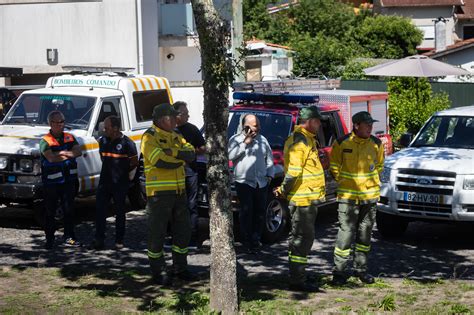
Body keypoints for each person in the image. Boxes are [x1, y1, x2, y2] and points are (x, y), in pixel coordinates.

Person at [141, 103, 196, 285]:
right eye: (172, 117)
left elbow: (192, 153)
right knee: (157, 234)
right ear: (161, 119)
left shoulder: (176, 135)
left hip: (179, 192)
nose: (175, 120)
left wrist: (173, 152)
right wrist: (180, 160)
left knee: (183, 231)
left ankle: (180, 268)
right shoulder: (149, 137)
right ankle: (159, 271)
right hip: (159, 195)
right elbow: (159, 161)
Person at [274, 106, 325, 292]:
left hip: (309, 199)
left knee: (305, 238)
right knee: (301, 239)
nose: (319, 125)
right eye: (318, 121)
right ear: (310, 121)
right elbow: (294, 172)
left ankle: (299, 274)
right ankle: (297, 279)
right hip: (302, 200)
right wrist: (282, 190)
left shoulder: (308, 139)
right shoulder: (299, 141)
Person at [330, 111, 384, 285]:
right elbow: (334, 166)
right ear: (356, 125)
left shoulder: (376, 144)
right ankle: (339, 272)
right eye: (366, 124)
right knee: (345, 235)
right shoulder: (341, 143)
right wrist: (344, 181)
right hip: (348, 197)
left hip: (369, 198)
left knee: (365, 235)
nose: (370, 128)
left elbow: (380, 166)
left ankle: (361, 270)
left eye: (371, 124)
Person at [89, 116, 138, 250]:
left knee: (120, 212)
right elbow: (103, 157)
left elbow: (134, 163)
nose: (104, 130)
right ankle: (99, 239)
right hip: (104, 183)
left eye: (107, 127)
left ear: (116, 129)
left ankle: (119, 241)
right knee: (100, 212)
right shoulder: (103, 141)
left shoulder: (128, 144)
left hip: (120, 184)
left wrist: (125, 176)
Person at [228, 114, 274, 254]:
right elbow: (230, 155)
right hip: (244, 182)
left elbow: (269, 159)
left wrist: (269, 175)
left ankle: (256, 240)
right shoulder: (235, 139)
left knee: (260, 212)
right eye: (254, 125)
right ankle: (246, 241)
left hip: (261, 182)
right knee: (247, 211)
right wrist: (245, 143)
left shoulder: (263, 140)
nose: (257, 128)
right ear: (245, 126)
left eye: (258, 125)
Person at [40, 110, 82, 249]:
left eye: (62, 122)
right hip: (51, 183)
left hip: (68, 181)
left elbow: (78, 152)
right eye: (56, 122)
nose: (60, 125)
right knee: (50, 212)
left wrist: (61, 153)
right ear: (50, 123)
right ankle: (50, 239)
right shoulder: (45, 140)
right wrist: (67, 154)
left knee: (69, 210)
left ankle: (69, 237)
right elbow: (50, 158)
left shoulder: (70, 137)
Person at [173, 101, 206, 247]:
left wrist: (192, 152)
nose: (188, 115)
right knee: (176, 207)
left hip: (190, 173)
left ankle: (193, 237)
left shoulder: (192, 129)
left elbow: (203, 147)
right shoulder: (168, 130)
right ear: (176, 115)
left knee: (191, 205)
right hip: (173, 174)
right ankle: (176, 237)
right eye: (185, 113)